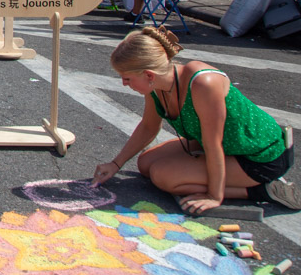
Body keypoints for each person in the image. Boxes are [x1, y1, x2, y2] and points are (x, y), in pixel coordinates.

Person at [91, 26, 300, 214]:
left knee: (163, 176)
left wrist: (214, 196)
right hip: (225, 146)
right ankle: (209, 175)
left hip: (260, 156)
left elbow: (213, 144)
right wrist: (116, 164)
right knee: (146, 164)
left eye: (127, 78)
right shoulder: (155, 86)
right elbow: (148, 127)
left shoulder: (202, 83)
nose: (124, 84)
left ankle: (263, 190)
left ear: (148, 74)